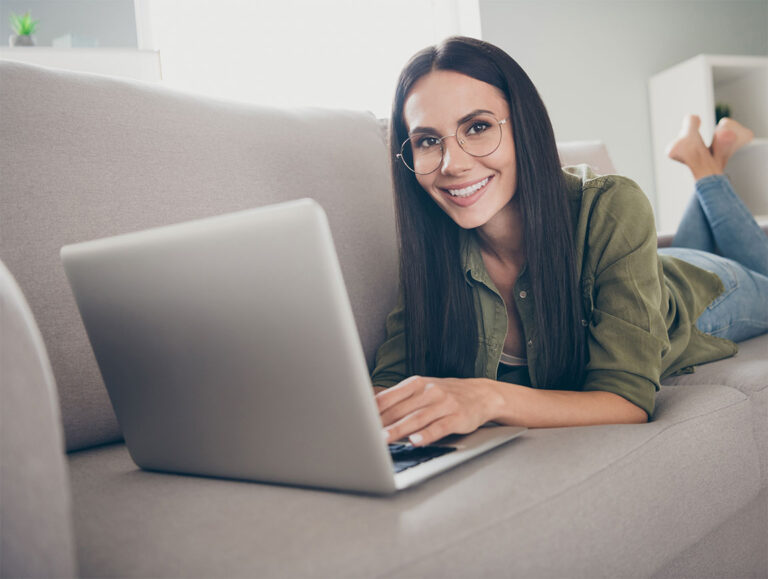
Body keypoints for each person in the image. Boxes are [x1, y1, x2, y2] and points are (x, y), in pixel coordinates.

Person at [370, 36, 768, 447]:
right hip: (642, 266)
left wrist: (489, 398)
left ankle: (706, 167)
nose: (453, 165)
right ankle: (711, 155)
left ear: (524, 125)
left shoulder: (611, 203)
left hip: (703, 294)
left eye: (478, 127)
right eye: (428, 141)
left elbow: (625, 402)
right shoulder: (431, 248)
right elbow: (390, 383)